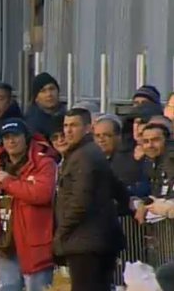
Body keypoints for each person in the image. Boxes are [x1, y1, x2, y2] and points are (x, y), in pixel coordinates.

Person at [53, 108, 129, 291]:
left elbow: (80, 201)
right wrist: (127, 205)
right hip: (94, 240)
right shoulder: (90, 152)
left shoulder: (84, 156)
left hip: (86, 242)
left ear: (88, 128)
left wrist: (61, 233)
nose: (68, 131)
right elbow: (117, 187)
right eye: (66, 126)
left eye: (74, 125)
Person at [0, 118, 57, 291]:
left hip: (34, 245)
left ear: (26, 138)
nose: (11, 141)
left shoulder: (44, 163)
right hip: (6, 244)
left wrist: (9, 183)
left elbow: (42, 194)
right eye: (7, 137)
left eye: (16, 136)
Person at [25, 72, 66, 139]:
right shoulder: (31, 124)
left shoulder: (67, 115)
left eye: (52, 89)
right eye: (43, 91)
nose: (49, 94)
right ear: (36, 98)